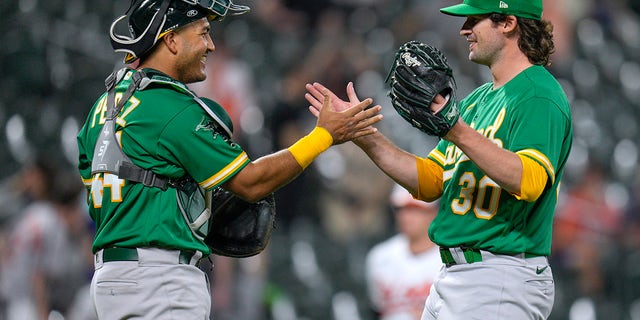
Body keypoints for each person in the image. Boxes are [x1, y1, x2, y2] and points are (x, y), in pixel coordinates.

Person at [76, 0, 382, 319]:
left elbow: (97, 185)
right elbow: (250, 182)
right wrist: (324, 136)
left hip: (111, 278)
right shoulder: (169, 106)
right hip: (160, 278)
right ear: (171, 40)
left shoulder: (103, 107)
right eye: (204, 32)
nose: (211, 45)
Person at [305, 0, 573, 319]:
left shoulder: (538, 95)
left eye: (475, 19)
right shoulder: (477, 101)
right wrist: (363, 134)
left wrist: (456, 129)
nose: (464, 29)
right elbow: (432, 180)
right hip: (455, 275)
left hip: (502, 273)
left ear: (508, 23)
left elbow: (529, 180)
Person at [365, 185, 442, 320]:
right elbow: (377, 309)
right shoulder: (379, 257)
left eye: (415, 209)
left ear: (433, 213)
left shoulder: (450, 258)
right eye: (401, 209)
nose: (406, 216)